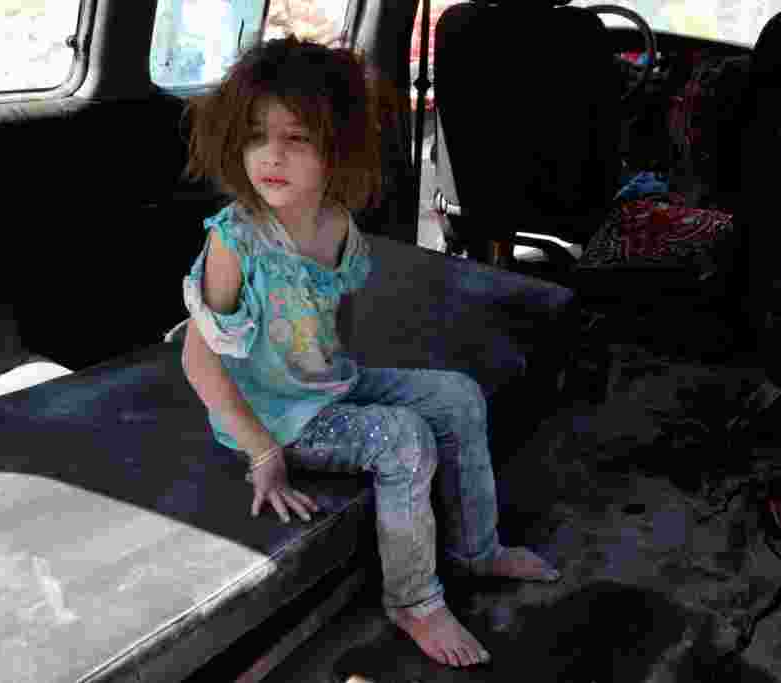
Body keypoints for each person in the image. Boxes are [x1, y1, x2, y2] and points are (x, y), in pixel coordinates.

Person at [165, 34, 562, 670]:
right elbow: (198, 357)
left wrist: (342, 376)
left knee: (455, 393)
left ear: (336, 148)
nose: (272, 156)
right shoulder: (236, 240)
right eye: (257, 137)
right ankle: (414, 599)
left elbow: (331, 316)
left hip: (326, 387)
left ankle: (475, 548)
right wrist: (262, 450)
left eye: (296, 139)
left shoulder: (338, 225)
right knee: (402, 438)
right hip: (271, 417)